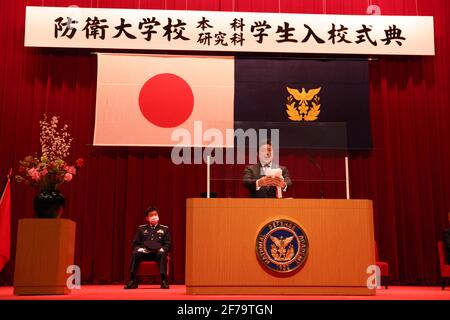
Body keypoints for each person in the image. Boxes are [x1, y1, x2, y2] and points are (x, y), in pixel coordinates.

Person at [124, 206, 171, 289]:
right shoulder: (141, 229)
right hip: (144, 253)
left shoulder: (165, 229)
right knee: (135, 253)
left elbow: (168, 244)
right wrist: (139, 249)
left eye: (155, 214)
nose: (154, 217)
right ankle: (132, 280)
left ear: (158, 216)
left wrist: (163, 249)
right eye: (151, 215)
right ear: (147, 218)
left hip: (157, 253)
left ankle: (164, 280)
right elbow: (135, 244)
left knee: (162, 254)